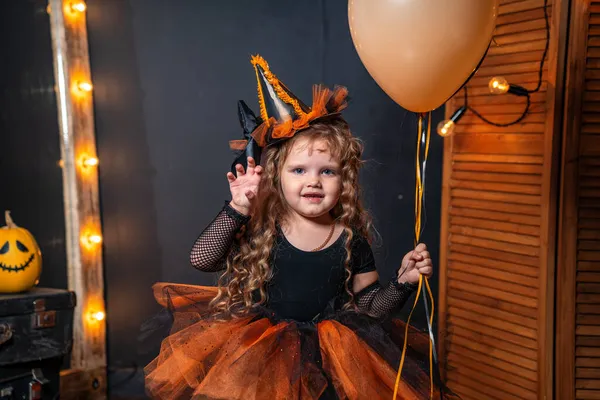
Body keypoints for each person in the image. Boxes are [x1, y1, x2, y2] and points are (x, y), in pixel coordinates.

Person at [145, 55, 451, 400]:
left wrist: (404, 282)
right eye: (300, 170)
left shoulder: (351, 240)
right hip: (265, 351)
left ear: (345, 180)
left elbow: (369, 308)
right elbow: (203, 259)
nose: (314, 182)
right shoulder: (263, 228)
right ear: (277, 176)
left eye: (327, 171)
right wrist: (238, 209)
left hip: (332, 357)